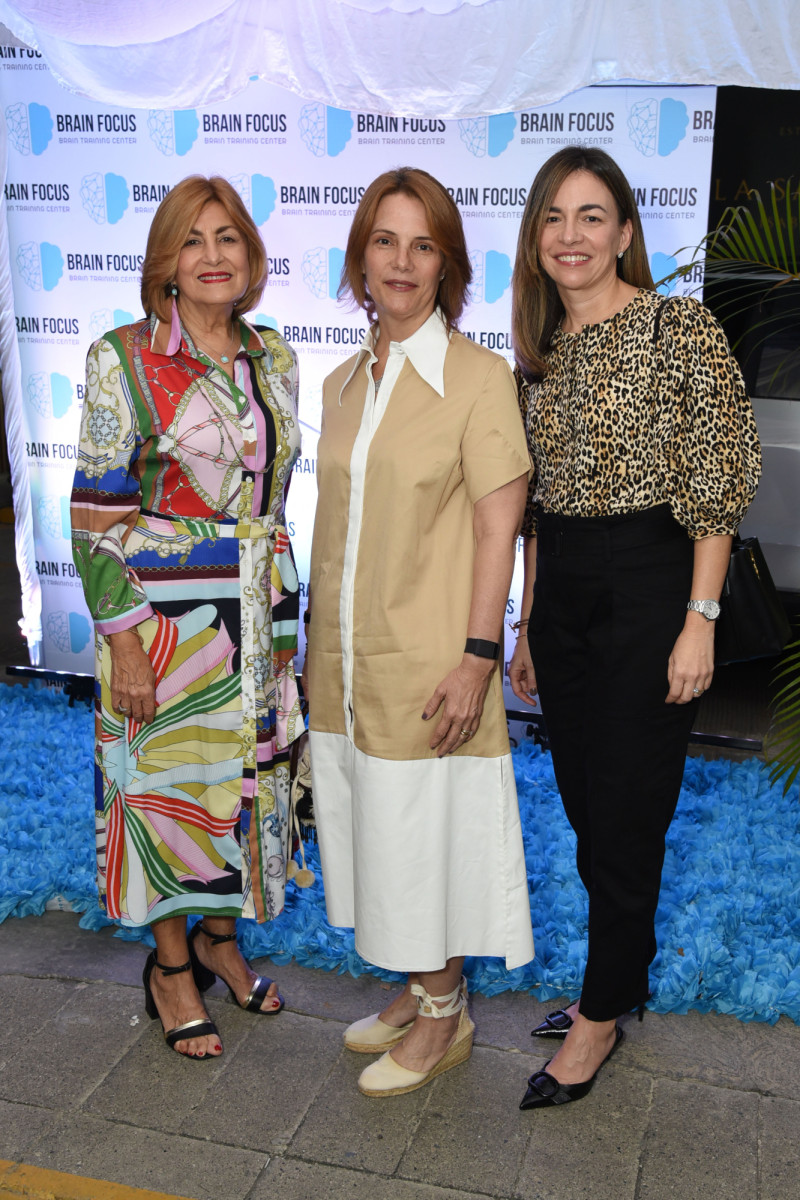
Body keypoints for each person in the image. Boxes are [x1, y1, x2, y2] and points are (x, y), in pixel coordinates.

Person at [508, 146, 761, 1109]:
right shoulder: (538, 357)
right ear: (536, 241)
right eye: (555, 218)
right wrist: (528, 624)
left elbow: (716, 486)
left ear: (624, 232)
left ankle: (603, 1014)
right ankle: (620, 975)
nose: (573, 236)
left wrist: (699, 622)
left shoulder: (675, 329)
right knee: (586, 805)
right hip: (565, 588)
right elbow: (535, 513)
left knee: (629, 813)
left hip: (654, 583)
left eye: (592, 216)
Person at [304, 167, 535, 1098]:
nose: (401, 262)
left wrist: (480, 655)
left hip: (433, 653)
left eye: (422, 244)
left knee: (415, 832)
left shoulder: (478, 381)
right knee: (369, 828)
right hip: (346, 658)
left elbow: (499, 525)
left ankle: (445, 1015)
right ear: (361, 255)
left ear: (449, 264)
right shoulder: (342, 381)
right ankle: (415, 982)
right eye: (385, 241)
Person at [71, 176, 303, 1060]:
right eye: (193, 240)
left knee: (235, 789)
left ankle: (219, 940)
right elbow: (93, 516)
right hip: (162, 620)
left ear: (251, 255)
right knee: (164, 790)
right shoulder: (123, 356)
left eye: (229, 238)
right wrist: (125, 643)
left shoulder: (273, 355)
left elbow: (272, 492)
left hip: (256, 606)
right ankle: (171, 968)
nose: (214, 256)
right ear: (166, 262)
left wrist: (285, 622)